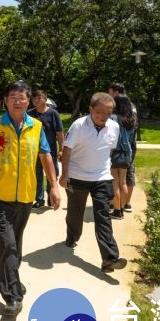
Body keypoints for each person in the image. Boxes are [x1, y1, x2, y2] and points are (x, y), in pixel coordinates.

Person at [0, 81, 60, 317]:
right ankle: (13, 295)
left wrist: (53, 186)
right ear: (5, 101)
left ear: (29, 100)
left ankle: (11, 277)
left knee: (15, 243)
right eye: (12, 96)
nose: (17, 101)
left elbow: (45, 155)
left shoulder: (36, 126)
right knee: (8, 243)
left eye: (22, 97)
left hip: (25, 196)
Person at [59, 92, 127, 274]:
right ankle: (72, 236)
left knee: (103, 216)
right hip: (77, 177)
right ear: (90, 109)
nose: (103, 117)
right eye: (99, 112)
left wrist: (105, 170)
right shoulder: (78, 125)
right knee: (75, 212)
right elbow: (66, 151)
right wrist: (64, 175)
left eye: (108, 113)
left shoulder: (114, 127)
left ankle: (109, 259)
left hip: (101, 178)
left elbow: (109, 151)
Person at [27, 89, 64, 208]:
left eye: (39, 98)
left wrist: (61, 149)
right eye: (34, 98)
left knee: (51, 174)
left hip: (50, 149)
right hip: (34, 150)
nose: (37, 100)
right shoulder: (29, 113)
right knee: (36, 174)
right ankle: (39, 199)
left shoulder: (53, 113)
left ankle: (51, 197)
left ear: (45, 98)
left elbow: (59, 132)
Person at [110, 96, 137, 219]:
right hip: (126, 154)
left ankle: (116, 211)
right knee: (123, 182)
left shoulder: (114, 118)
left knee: (115, 182)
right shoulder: (131, 120)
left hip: (115, 153)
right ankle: (122, 208)